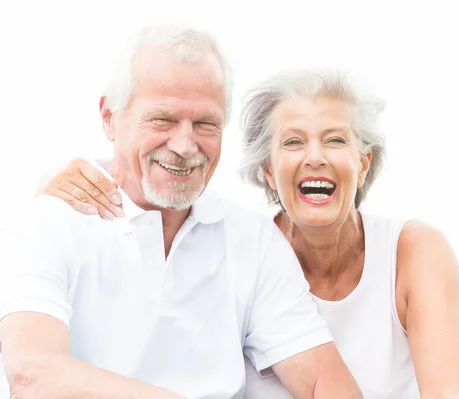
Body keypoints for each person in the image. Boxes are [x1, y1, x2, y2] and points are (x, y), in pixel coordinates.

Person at [41, 67, 459, 398]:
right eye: (292, 142)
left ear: (363, 165)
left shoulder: (415, 251)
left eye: (336, 141)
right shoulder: (240, 253)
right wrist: (50, 192)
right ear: (267, 170)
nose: (315, 157)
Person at [0, 26, 364, 399]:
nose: (185, 145)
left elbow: (322, 379)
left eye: (206, 123)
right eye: (164, 119)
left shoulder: (251, 239)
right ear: (110, 117)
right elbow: (34, 376)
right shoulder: (48, 224)